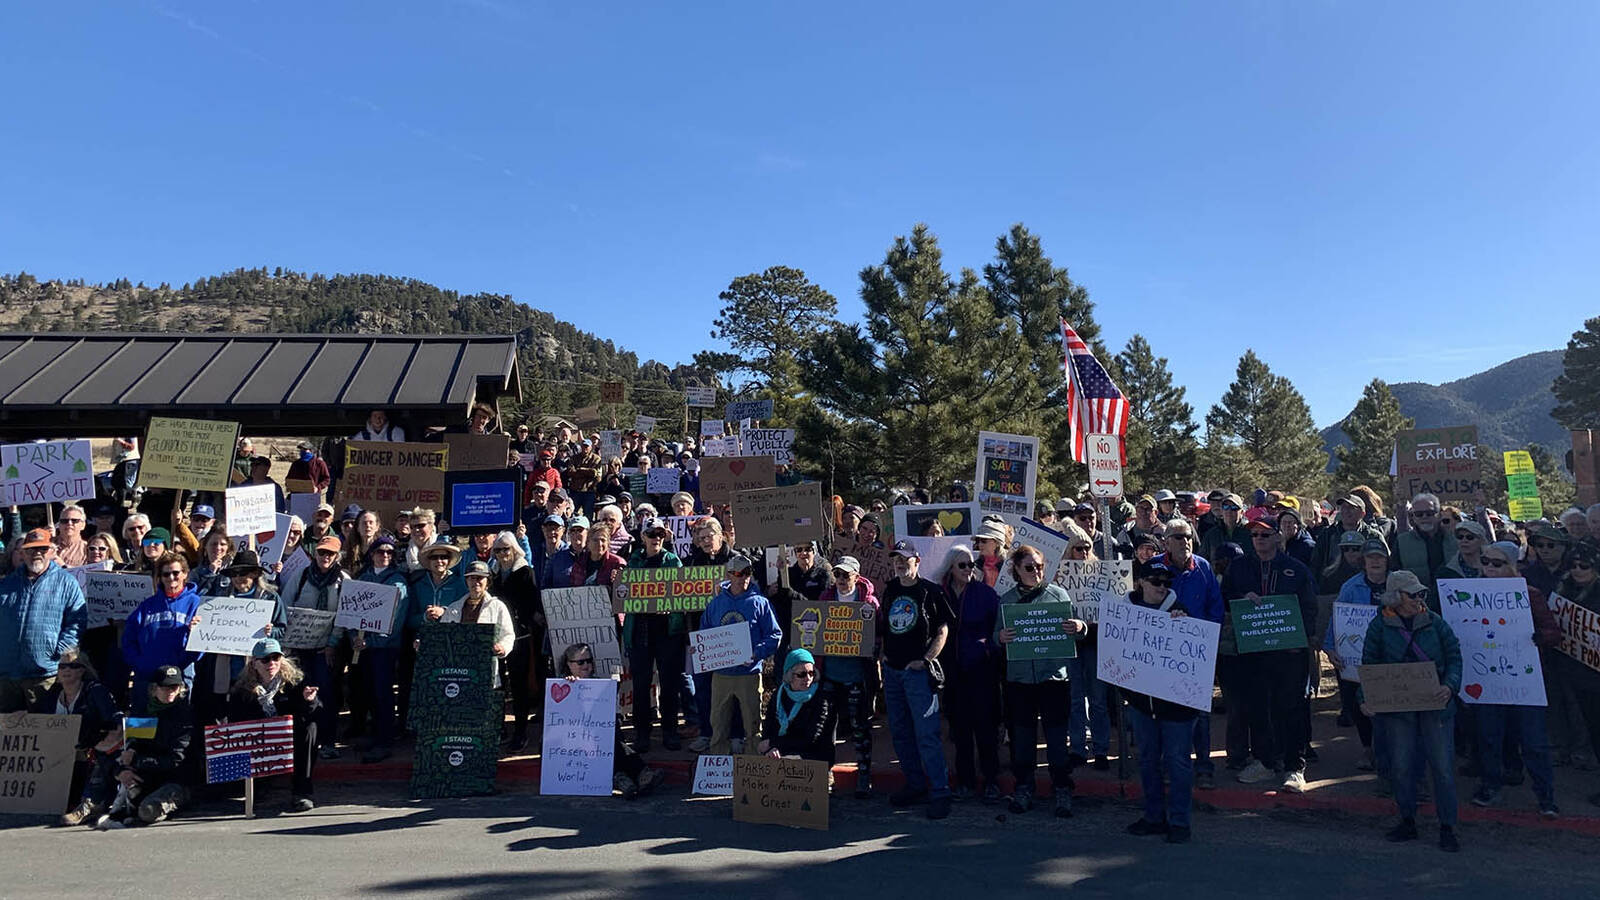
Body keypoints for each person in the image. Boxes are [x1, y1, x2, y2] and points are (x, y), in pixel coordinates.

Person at [1360, 571, 1463, 852]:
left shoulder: (1436, 623)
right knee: (1401, 767)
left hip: (1435, 705)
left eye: (1421, 593)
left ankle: (1447, 826)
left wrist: (1450, 686)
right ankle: (1407, 819)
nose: (1419, 598)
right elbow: (1368, 664)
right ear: (1396, 597)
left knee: (1442, 768)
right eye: (1413, 594)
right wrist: (1364, 698)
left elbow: (1454, 656)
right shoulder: (1379, 626)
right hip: (1399, 709)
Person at [1221, 515, 1317, 793]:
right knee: (1257, 707)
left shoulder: (1295, 569)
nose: (1259, 539)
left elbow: (1309, 606)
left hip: (1289, 652)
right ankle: (1264, 760)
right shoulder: (1238, 569)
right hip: (1252, 652)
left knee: (1291, 708)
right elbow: (1225, 597)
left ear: (1278, 537)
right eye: (1254, 535)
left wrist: (1302, 639)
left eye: (1265, 534)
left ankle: (1294, 767)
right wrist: (1241, 599)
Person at [995, 544, 1087, 818]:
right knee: (1022, 738)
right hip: (1020, 680)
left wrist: (1079, 627)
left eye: (1039, 567)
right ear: (1016, 570)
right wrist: (999, 638)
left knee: (1058, 738)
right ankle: (1024, 787)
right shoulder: (1007, 600)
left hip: (1053, 678)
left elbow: (1076, 631)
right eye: (1029, 567)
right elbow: (995, 636)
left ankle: (1062, 788)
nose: (1035, 572)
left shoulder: (1057, 595)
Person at [1122, 560, 1198, 843]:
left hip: (1177, 707)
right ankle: (1154, 817)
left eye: (1167, 583)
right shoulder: (1124, 614)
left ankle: (1179, 822)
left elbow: (1194, 655)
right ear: (1141, 582)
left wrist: (1185, 625)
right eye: (1156, 582)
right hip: (1143, 706)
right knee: (1147, 761)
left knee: (1178, 762)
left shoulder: (1182, 613)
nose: (1163, 588)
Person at [1152, 519, 1225, 787]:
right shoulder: (1155, 567)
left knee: (1200, 713)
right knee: (1165, 712)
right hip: (1163, 653)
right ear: (1166, 541)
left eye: (1189, 537)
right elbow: (1142, 603)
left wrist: (1205, 639)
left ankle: (1204, 767)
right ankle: (1169, 765)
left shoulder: (1203, 567)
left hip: (1196, 653)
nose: (1186, 542)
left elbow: (1215, 607)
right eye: (1179, 537)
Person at [87, 666, 194, 829]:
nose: (170, 691)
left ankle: (169, 805)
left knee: (147, 811)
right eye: (165, 687)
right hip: (145, 775)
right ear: (154, 688)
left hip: (175, 779)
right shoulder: (143, 712)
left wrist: (137, 761)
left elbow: (176, 761)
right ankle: (99, 805)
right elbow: (132, 746)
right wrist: (121, 771)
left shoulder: (185, 716)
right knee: (110, 762)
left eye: (174, 687)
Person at [556, 642, 663, 799]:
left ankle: (623, 779)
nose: (586, 665)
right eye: (580, 662)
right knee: (609, 741)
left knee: (610, 737)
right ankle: (638, 773)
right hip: (573, 738)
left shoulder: (601, 684)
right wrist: (570, 684)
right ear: (568, 664)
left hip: (600, 734)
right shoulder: (561, 685)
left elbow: (611, 714)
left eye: (589, 660)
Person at [699, 555, 782, 756]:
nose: (742, 577)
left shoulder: (760, 603)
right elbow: (704, 632)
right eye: (737, 573)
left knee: (753, 725)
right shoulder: (716, 603)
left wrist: (756, 653)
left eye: (746, 573)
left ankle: (753, 767)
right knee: (718, 724)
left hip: (749, 673)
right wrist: (701, 650)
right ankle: (718, 769)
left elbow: (774, 635)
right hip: (722, 674)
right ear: (729, 575)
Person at [228, 638, 322, 811]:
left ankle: (302, 791)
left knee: (310, 728)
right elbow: (236, 721)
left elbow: (314, 711)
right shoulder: (241, 689)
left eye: (275, 658)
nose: (271, 663)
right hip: (260, 739)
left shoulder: (296, 681)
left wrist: (309, 701)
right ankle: (256, 787)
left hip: (289, 734)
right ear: (254, 663)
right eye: (265, 659)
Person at [940, 544, 1002, 802]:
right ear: (951, 568)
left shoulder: (986, 594)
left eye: (971, 565)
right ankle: (965, 780)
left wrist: (987, 648)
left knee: (985, 730)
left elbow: (998, 628)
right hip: (952, 672)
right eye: (962, 565)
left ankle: (991, 781)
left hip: (981, 670)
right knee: (960, 729)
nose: (968, 569)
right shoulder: (940, 594)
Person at [0, 528, 87, 712]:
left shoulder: (67, 583)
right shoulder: (7, 583)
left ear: (52, 551)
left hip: (44, 673)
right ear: (22, 553)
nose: (36, 554)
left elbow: (77, 622)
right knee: (6, 734)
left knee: (43, 733)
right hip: (6, 674)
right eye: (31, 549)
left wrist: (58, 652)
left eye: (42, 549)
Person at [815, 555, 879, 796]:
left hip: (856, 675)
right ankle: (826, 773)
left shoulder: (868, 602)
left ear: (857, 576)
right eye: (838, 574)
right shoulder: (825, 598)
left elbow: (878, 634)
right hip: (830, 672)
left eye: (847, 575)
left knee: (859, 727)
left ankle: (864, 773)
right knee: (825, 726)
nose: (841, 579)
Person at [39, 648, 123, 826]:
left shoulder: (96, 691)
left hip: (91, 751)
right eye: (62, 666)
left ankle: (89, 805)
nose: (66, 670)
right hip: (60, 756)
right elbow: (38, 720)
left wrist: (102, 743)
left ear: (82, 670)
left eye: (73, 665)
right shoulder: (53, 694)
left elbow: (116, 722)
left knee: (103, 758)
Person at [281, 535, 348, 759]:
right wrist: (287, 642)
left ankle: (327, 741)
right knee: (298, 693)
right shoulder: (300, 576)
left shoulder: (343, 581)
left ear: (337, 556)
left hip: (326, 649)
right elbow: (285, 605)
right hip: (299, 647)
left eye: (330, 553)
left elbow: (344, 616)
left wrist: (332, 644)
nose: (325, 557)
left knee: (326, 696)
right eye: (321, 552)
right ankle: (300, 742)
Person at [622, 518, 686, 752]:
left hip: (667, 631)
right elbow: (624, 593)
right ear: (643, 537)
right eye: (651, 534)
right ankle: (642, 733)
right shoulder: (634, 561)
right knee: (640, 685)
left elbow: (682, 594)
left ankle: (669, 731)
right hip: (640, 631)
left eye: (660, 534)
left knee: (669, 684)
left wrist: (672, 605)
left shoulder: (673, 560)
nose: (656, 538)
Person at [350, 535, 411, 763]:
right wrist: (353, 637)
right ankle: (375, 734)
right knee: (367, 692)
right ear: (371, 554)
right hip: (363, 648)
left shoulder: (398, 582)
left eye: (389, 552)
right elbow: (351, 613)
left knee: (383, 693)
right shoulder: (362, 578)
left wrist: (373, 642)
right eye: (380, 551)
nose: (384, 556)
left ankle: (385, 740)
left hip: (385, 649)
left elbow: (396, 621)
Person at [122, 552, 204, 712]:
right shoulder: (147, 605)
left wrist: (193, 635)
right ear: (160, 577)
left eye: (176, 573)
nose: (171, 578)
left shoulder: (197, 603)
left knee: (177, 729)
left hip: (179, 677)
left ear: (185, 574)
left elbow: (202, 644)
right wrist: (140, 663)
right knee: (141, 729)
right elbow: (128, 639)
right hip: (147, 677)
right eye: (166, 574)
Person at [489, 531, 542, 752]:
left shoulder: (525, 572)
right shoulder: (492, 573)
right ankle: (499, 727)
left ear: (514, 549)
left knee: (519, 686)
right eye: (498, 550)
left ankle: (520, 732)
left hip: (518, 636)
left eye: (506, 549)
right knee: (497, 683)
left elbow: (532, 604)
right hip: (496, 635)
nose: (502, 554)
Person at [430, 561, 515, 682]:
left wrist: (502, 648)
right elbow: (442, 635)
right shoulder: (453, 608)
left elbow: (508, 635)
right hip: (457, 669)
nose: (475, 582)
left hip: (485, 668)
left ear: (488, 582)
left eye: (480, 578)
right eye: (472, 578)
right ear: (466, 581)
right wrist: (425, 643)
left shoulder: (498, 606)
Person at [761, 648, 834, 762]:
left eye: (811, 673)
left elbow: (811, 739)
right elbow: (769, 724)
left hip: (814, 757)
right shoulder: (779, 695)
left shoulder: (822, 698)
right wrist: (769, 747)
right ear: (789, 675)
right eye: (802, 674)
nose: (808, 678)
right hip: (784, 751)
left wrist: (774, 743)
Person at [1395, 493, 1455, 598]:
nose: (1424, 517)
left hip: (1453, 598)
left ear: (1439, 514)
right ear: (1413, 516)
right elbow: (1394, 572)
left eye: (1429, 513)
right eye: (1419, 514)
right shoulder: (1402, 541)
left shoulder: (1456, 539)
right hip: (1416, 601)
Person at [53, 503, 88, 567]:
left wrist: (64, 566)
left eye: (74, 520)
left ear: (83, 525)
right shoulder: (47, 545)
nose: (69, 523)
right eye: (64, 521)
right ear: (59, 524)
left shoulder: (87, 549)